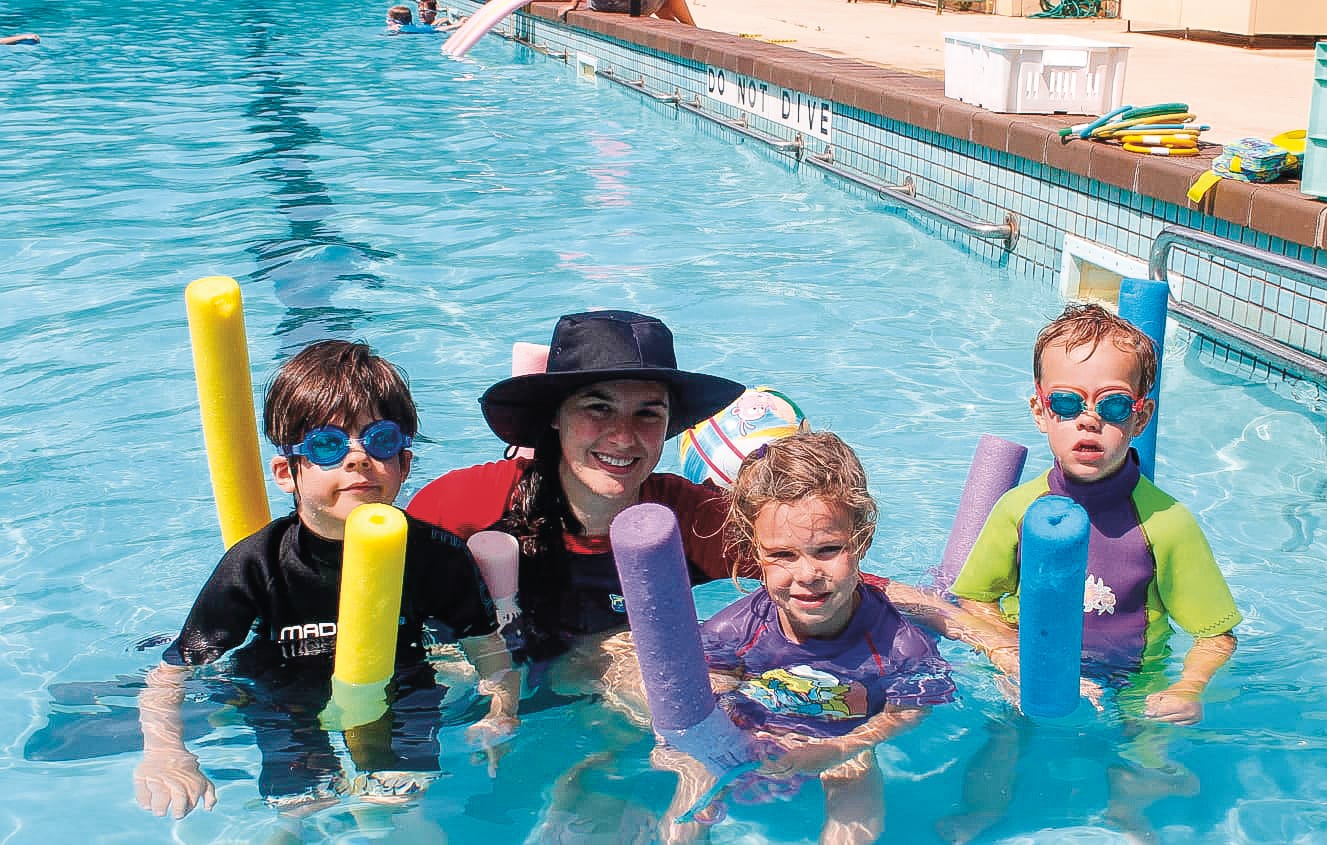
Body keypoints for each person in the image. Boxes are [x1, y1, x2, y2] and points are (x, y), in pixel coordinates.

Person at [133, 340, 517, 821]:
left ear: (405, 464)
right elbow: (173, 671)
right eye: (328, 445)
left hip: (404, 685)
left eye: (379, 440)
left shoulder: (439, 555)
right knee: (301, 808)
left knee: (398, 802)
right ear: (285, 473)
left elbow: (486, 647)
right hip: (283, 694)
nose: (357, 459)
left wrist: (500, 710)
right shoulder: (257, 563)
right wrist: (167, 751)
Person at [605, 431, 956, 844]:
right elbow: (707, 688)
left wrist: (842, 747)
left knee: (854, 775)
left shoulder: (899, 644)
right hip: (756, 728)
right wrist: (710, 737)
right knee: (692, 769)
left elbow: (910, 709)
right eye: (783, 555)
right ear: (754, 553)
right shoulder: (738, 629)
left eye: (827, 549)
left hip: (842, 737)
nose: (807, 575)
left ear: (861, 540)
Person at [407, 309, 748, 668]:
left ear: (668, 424)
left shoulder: (697, 520)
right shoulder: (463, 506)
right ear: (554, 414)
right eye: (598, 408)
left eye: (648, 414)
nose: (623, 436)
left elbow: (801, 591)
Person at [951, 302, 1241, 723]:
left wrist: (1187, 688)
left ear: (1141, 417)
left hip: (1133, 685)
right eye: (1067, 403)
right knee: (998, 765)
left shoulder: (1167, 524)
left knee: (1142, 776)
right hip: (1032, 674)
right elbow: (975, 599)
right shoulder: (1016, 510)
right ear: (1040, 411)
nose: (1088, 421)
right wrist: (1008, 653)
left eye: (1113, 406)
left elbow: (1215, 635)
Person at [565, 0, 697, 26]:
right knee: (667, 3)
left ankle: (677, 25)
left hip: (599, 5)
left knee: (664, 8)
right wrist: (635, 14)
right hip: (628, 7)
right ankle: (691, 27)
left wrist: (572, 4)